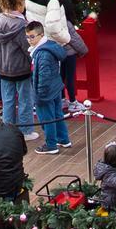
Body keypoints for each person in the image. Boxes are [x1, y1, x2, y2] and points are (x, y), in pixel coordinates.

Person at [35, 0, 85, 112]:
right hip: (67, 53)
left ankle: (63, 99)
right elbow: (75, 41)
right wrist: (83, 50)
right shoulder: (66, 25)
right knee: (68, 78)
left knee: (60, 77)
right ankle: (72, 101)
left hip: (57, 51)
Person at [0, 0, 39, 142]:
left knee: (8, 100)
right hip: (20, 68)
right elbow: (27, 47)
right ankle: (26, 130)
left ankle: (8, 129)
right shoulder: (20, 25)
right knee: (25, 99)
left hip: (3, 67)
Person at [25, 20, 71, 155]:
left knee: (47, 118)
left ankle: (51, 145)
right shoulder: (49, 46)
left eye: (32, 37)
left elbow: (43, 76)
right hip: (55, 87)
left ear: (41, 35)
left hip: (45, 91)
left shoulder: (42, 53)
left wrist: (39, 96)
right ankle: (63, 139)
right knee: (57, 115)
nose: (29, 40)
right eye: (27, 37)